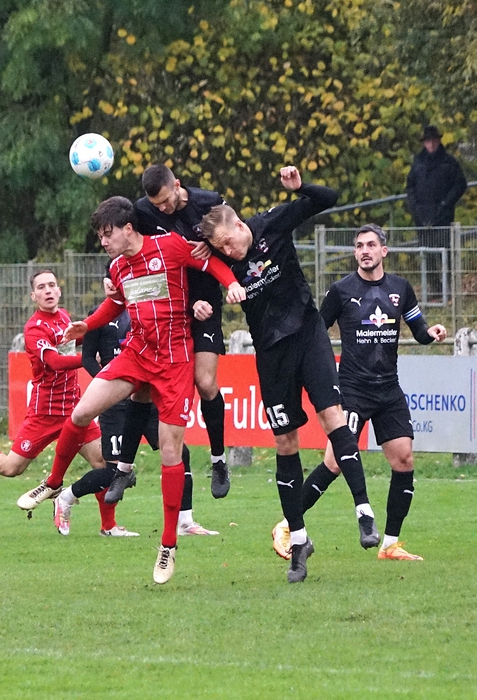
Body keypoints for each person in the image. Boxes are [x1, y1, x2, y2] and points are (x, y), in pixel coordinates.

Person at [19, 197, 244, 584]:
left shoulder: (169, 246)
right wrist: (87, 325)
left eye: (107, 234)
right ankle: (54, 483)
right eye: (100, 236)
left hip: (174, 360)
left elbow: (211, 264)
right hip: (137, 353)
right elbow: (115, 304)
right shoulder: (119, 267)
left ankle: (168, 545)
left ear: (128, 229)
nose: (103, 242)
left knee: (171, 452)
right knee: (81, 413)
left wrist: (233, 283)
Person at [198, 166, 371, 584]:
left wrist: (300, 187)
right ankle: (299, 541)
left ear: (240, 225)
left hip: (308, 334)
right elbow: (197, 287)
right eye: (221, 248)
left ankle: (364, 512)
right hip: (271, 353)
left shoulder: (271, 223)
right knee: (285, 441)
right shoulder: (220, 261)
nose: (229, 252)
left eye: (229, 242)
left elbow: (329, 198)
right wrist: (199, 307)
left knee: (332, 416)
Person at [270, 224, 448, 562]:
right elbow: (316, 332)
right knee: (334, 463)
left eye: (371, 245)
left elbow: (419, 330)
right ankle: (286, 525)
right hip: (352, 389)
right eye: (359, 246)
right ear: (355, 253)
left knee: (404, 459)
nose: (365, 251)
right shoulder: (341, 291)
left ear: (384, 251)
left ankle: (390, 544)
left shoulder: (400, 288)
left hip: (389, 389)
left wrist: (432, 332)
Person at [0, 270, 135, 537]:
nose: (48, 290)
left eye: (52, 285)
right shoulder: (34, 328)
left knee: (104, 463)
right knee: (11, 468)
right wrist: (89, 360)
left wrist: (98, 337)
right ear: (33, 295)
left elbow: (77, 340)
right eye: (41, 287)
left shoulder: (64, 317)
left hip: (75, 409)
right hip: (45, 413)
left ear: (59, 290)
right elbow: (55, 362)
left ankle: (108, 526)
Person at [53, 307, 219, 537]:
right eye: (109, 286)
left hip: (144, 396)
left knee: (181, 453)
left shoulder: (143, 309)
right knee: (114, 471)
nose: (113, 289)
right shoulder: (98, 315)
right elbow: (87, 358)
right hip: (115, 403)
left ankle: (185, 522)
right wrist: (107, 385)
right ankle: (66, 497)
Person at [134, 164, 231, 498]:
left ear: (177, 184)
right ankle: (123, 468)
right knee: (142, 391)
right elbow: (128, 243)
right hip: (168, 306)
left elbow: (237, 238)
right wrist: (108, 273)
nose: (162, 208)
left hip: (204, 302)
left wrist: (213, 247)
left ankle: (218, 459)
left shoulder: (209, 202)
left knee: (205, 383)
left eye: (166, 200)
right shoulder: (143, 211)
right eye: (156, 204)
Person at [405, 125, 467, 301]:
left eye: (433, 141)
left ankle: (449, 289)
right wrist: (415, 207)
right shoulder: (418, 162)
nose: (431, 144)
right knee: (427, 255)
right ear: (424, 143)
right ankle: (434, 288)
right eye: (428, 141)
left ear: (439, 141)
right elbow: (410, 186)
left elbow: (460, 184)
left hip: (442, 217)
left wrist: (446, 203)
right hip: (422, 217)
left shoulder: (449, 162)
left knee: (446, 253)